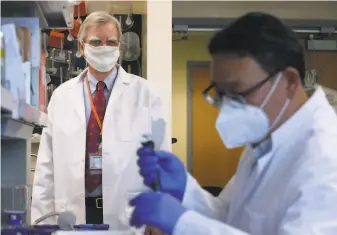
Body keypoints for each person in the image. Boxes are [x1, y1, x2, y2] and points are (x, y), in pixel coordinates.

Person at [129, 12, 337, 235]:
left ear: (289, 82)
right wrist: (187, 190)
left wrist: (184, 224)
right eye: (221, 93)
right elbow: (232, 218)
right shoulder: (267, 139)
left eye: (237, 92)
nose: (227, 107)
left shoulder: (326, 159)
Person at [31, 11, 169, 233]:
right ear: (82, 46)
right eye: (96, 42)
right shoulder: (62, 96)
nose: (104, 47)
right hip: (73, 212)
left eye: (111, 42)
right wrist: (42, 222)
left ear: (119, 46)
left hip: (128, 214)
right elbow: (46, 165)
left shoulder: (146, 94)